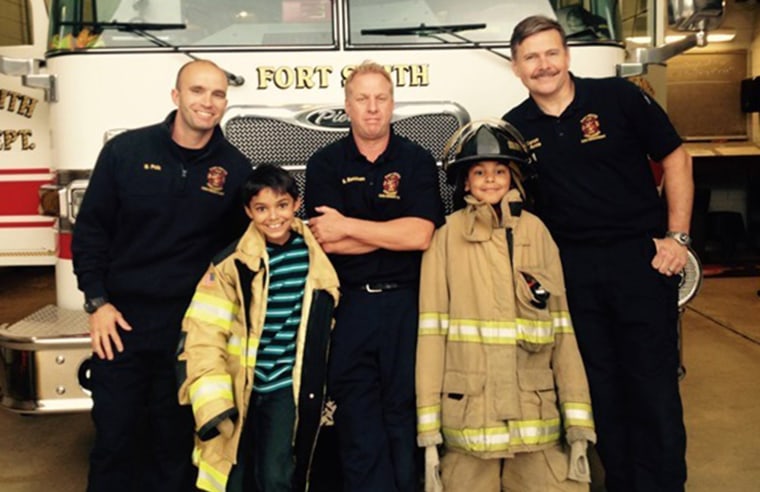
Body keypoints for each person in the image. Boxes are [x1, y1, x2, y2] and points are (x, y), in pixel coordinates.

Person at [503, 15, 693, 492]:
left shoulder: (619, 99)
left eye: (550, 53)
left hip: (640, 262)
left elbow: (676, 157)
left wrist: (679, 238)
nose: (543, 65)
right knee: (598, 391)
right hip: (572, 273)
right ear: (516, 67)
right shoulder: (515, 128)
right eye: (531, 57)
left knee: (653, 389)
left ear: (567, 56)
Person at [71, 59, 252, 492]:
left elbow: (239, 256)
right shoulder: (126, 153)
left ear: (225, 103)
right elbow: (91, 231)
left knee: (174, 448)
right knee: (115, 441)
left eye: (217, 94)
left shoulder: (235, 170)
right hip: (122, 325)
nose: (207, 102)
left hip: (187, 332)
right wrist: (97, 302)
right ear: (176, 96)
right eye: (197, 91)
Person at [415, 120, 596, 492]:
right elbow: (431, 338)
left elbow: (562, 332)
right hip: (470, 421)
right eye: (479, 171)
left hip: (534, 416)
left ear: (514, 178)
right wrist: (429, 431)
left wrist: (579, 424)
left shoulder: (537, 233)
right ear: (465, 182)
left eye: (500, 171)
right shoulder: (446, 238)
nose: (490, 179)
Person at [305, 60, 445, 492]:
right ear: (347, 106)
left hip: (407, 305)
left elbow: (422, 235)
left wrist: (349, 224)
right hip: (351, 308)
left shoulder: (416, 159)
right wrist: (389, 233)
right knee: (357, 420)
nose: (372, 108)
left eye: (380, 98)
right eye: (362, 99)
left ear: (392, 104)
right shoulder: (324, 163)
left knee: (405, 416)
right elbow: (324, 241)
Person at [177, 164, 340, 492]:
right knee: (233, 472)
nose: (273, 217)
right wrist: (214, 405)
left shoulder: (316, 256)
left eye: (282, 206)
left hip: (285, 387)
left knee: (277, 473)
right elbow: (203, 334)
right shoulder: (230, 266)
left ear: (297, 204)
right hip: (240, 386)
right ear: (248, 211)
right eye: (261, 208)